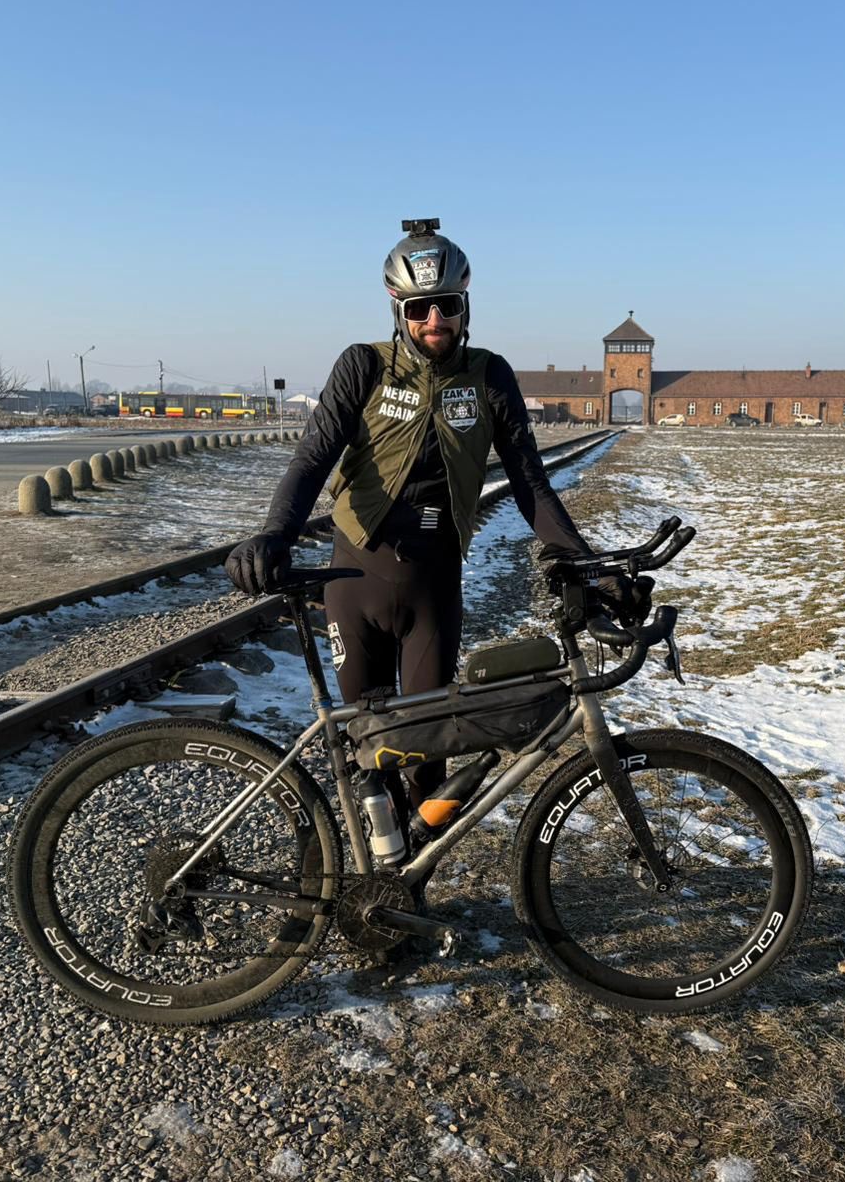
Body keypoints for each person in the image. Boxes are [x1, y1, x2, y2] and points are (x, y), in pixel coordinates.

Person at [225, 219, 645, 861]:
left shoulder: (488, 376)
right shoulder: (362, 365)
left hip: (433, 581)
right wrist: (274, 533)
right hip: (354, 577)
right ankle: (371, 878)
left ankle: (407, 876)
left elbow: (530, 481)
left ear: (464, 307)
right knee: (370, 745)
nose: (432, 319)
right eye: (418, 308)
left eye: (445, 306)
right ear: (399, 311)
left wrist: (584, 564)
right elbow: (313, 457)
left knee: (426, 754)